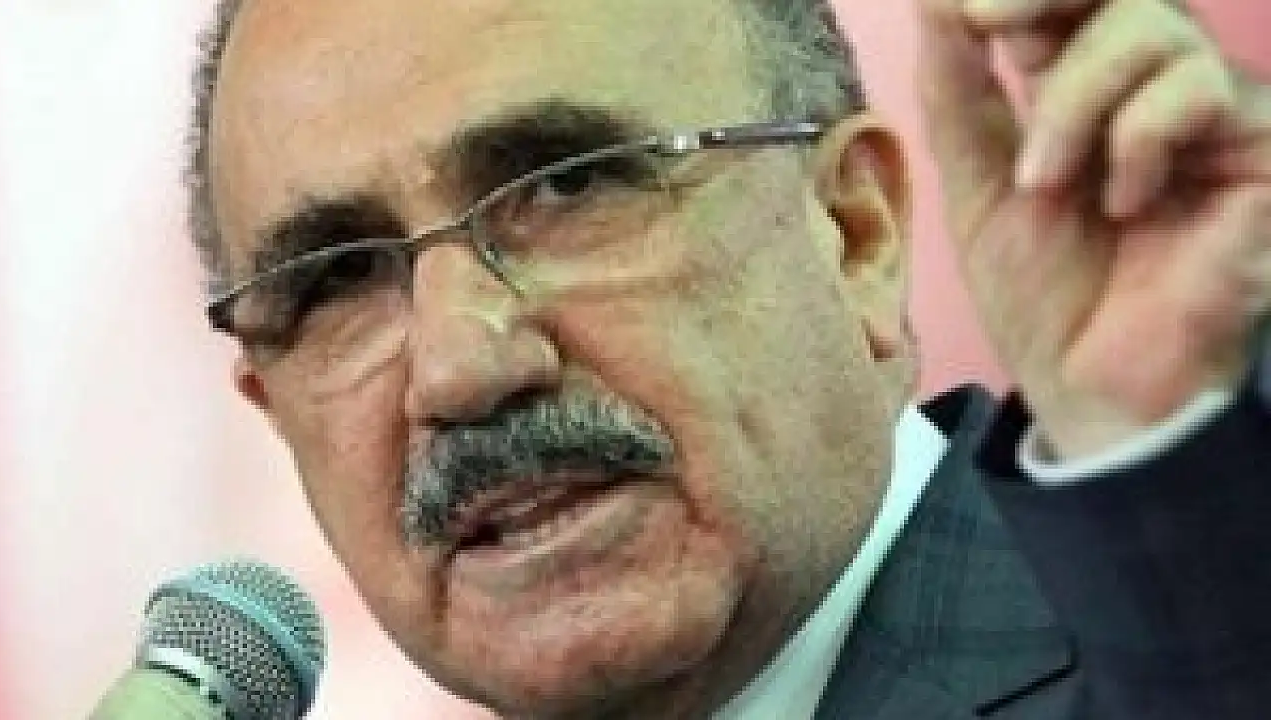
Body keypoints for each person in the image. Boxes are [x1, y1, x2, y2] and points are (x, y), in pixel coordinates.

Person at [188, 0, 1271, 717]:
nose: (460, 368)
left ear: (852, 233)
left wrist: (1161, 452)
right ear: (272, 409)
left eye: (568, 185)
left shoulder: (1187, 643)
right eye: (337, 277)